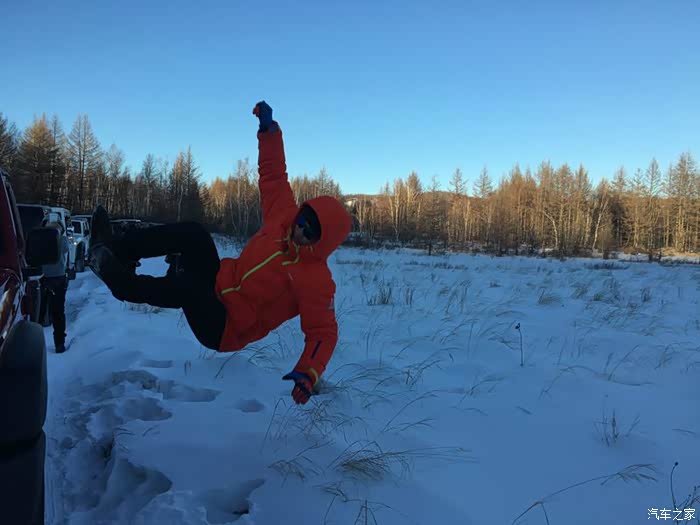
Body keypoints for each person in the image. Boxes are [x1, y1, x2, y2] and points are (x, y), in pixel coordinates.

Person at [88, 101, 352, 405]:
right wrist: (269, 132)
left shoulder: (316, 280)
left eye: (311, 232)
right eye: (303, 220)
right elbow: (274, 176)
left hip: (225, 326)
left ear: (323, 242)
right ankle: (117, 248)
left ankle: (120, 282)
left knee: (189, 289)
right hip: (219, 282)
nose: (301, 231)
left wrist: (308, 373)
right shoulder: (283, 216)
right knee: (194, 234)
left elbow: (323, 332)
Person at [41, 221, 70, 353]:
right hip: (57, 278)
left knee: (40, 311)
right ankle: (59, 343)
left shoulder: (42, 240)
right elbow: (65, 250)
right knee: (57, 312)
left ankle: (37, 343)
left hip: (44, 277)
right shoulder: (62, 240)